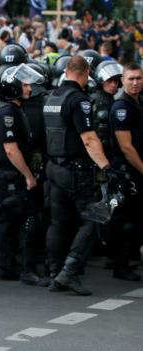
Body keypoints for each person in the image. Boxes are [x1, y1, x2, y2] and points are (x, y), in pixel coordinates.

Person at [44, 56, 111, 296]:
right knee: (95, 218)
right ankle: (68, 273)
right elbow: (89, 138)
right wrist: (106, 166)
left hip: (54, 167)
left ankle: (54, 273)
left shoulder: (52, 97)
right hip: (75, 170)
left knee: (58, 223)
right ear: (84, 73)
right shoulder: (79, 100)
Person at [0, 64, 48, 286]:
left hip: (5, 173)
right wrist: (28, 176)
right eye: (24, 84)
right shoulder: (8, 112)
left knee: (7, 220)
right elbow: (11, 149)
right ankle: (27, 269)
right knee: (27, 219)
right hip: (11, 174)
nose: (29, 88)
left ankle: (6, 266)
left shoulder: (7, 108)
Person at [108, 62, 143, 281]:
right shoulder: (121, 107)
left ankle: (127, 260)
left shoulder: (137, 103)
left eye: (138, 78)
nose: (135, 82)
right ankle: (120, 266)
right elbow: (126, 147)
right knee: (125, 221)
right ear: (122, 80)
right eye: (131, 79)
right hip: (127, 172)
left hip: (135, 170)